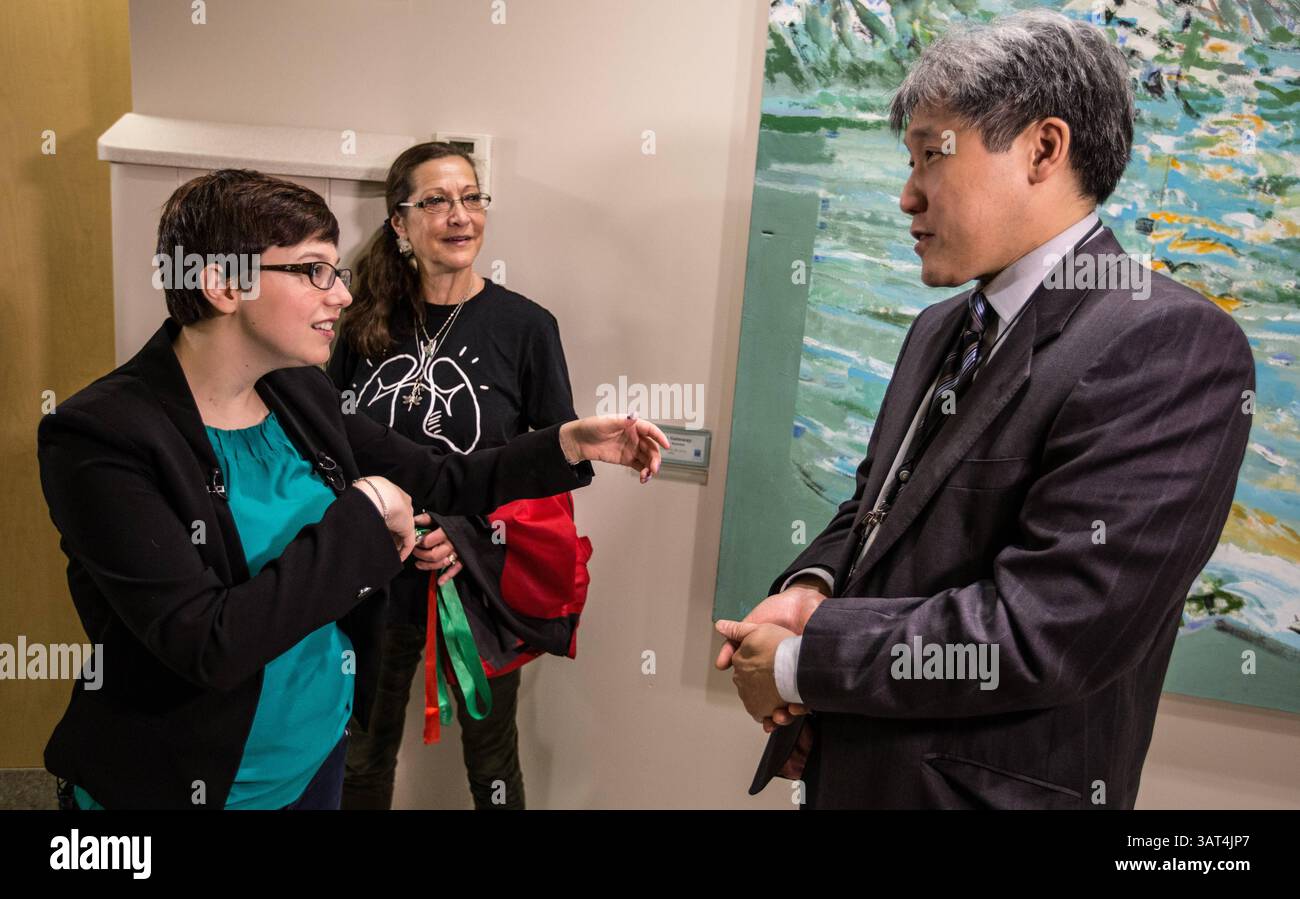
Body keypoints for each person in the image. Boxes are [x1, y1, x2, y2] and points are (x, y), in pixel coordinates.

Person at [716, 10, 1255, 809]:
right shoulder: (942, 327)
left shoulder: (1171, 341)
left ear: (1043, 148)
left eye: (932, 153)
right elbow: (876, 507)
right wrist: (814, 583)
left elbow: (1049, 628)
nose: (906, 195)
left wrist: (801, 659)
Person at [36, 169, 667, 810]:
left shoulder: (295, 389)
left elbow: (441, 478)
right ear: (223, 283)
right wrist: (366, 512)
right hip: (190, 782)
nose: (340, 294)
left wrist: (569, 442)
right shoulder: (100, 436)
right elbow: (209, 643)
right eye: (313, 271)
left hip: (314, 754)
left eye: (335, 271)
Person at [327, 141, 584, 810]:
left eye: (472, 197)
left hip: (475, 580)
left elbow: (556, 470)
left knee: (492, 759)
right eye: (436, 200)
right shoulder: (358, 322)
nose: (459, 214)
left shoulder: (527, 327)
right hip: (370, 577)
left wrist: (466, 532)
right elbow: (324, 445)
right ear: (400, 223)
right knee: (359, 750)